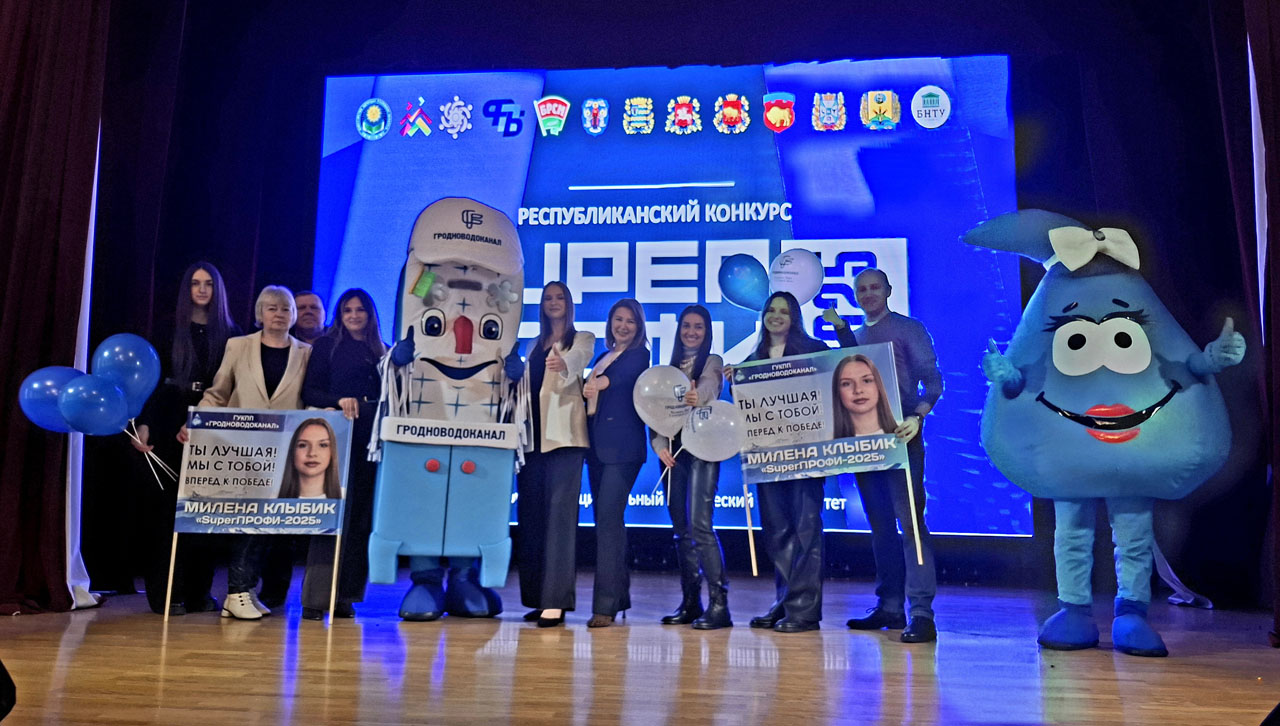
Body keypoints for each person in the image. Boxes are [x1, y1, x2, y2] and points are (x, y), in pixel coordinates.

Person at [824, 267, 942, 643]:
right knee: (881, 529)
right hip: (864, 443)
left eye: (875, 287)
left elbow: (933, 381)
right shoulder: (856, 337)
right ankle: (890, 605)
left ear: (888, 290)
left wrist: (917, 417)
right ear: (855, 295)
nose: (869, 293)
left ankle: (921, 612)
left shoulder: (909, 329)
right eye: (862, 289)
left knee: (911, 525)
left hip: (902, 439)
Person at [182, 285, 312, 620]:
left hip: (283, 453)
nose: (279, 314)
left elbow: (309, 400)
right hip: (239, 451)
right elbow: (218, 392)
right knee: (245, 521)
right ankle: (237, 592)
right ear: (260, 313)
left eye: (285, 308)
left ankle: (245, 590)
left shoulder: (306, 352)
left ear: (293, 315)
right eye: (272, 308)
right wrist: (196, 423)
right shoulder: (238, 346)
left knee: (267, 525)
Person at [131, 261, 241, 615]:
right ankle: (166, 595)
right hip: (168, 422)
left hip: (212, 428)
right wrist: (145, 423)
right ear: (187, 289)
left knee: (203, 513)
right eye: (195, 283)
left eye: (209, 283)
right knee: (166, 514)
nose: (202, 289)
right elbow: (151, 381)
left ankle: (198, 593)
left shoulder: (232, 333)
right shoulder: (168, 329)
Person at [731, 291, 829, 633]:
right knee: (776, 530)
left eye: (784, 311)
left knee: (805, 530)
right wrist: (735, 381)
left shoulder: (815, 350)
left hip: (806, 456)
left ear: (794, 317)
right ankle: (786, 601)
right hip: (768, 457)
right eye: (771, 310)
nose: (776, 316)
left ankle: (805, 610)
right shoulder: (754, 358)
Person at [300, 288, 386, 620]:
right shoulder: (326, 346)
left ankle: (346, 596)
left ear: (370, 314)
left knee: (361, 519)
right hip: (335, 438)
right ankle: (315, 599)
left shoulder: (383, 350)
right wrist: (338, 401)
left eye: (360, 310)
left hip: (371, 443)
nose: (353, 315)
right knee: (330, 517)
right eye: (347, 310)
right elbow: (310, 391)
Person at [513, 282, 595, 628]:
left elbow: (576, 362)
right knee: (531, 520)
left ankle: (556, 601)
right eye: (548, 298)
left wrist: (563, 362)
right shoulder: (533, 344)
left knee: (560, 522)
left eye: (560, 297)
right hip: (531, 441)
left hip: (564, 440)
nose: (553, 302)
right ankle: (536, 597)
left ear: (569, 303)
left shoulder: (583, 338)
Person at [652, 305, 730, 629]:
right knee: (681, 531)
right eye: (686, 326)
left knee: (700, 526)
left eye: (698, 327)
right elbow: (655, 411)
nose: (691, 332)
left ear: (706, 332)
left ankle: (720, 605)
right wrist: (659, 445)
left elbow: (711, 385)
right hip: (673, 453)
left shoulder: (712, 361)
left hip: (703, 450)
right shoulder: (667, 368)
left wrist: (700, 395)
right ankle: (690, 602)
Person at [582, 298, 650, 628]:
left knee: (608, 523)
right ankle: (619, 597)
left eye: (630, 321)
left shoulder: (640, 355)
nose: (623, 326)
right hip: (596, 450)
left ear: (639, 327)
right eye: (618, 319)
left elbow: (622, 378)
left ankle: (604, 607)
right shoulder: (602, 356)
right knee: (607, 523)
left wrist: (599, 383)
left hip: (623, 452)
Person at [831, 354, 897, 437]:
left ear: (878, 385)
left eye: (866, 381)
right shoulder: (827, 442)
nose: (858, 390)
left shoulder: (904, 431)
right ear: (837, 391)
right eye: (847, 384)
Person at [278, 418, 342, 499]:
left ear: (332, 452)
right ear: (293, 451)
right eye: (303, 445)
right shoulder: (272, 499)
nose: (312, 453)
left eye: (323, 445)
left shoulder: (345, 496)